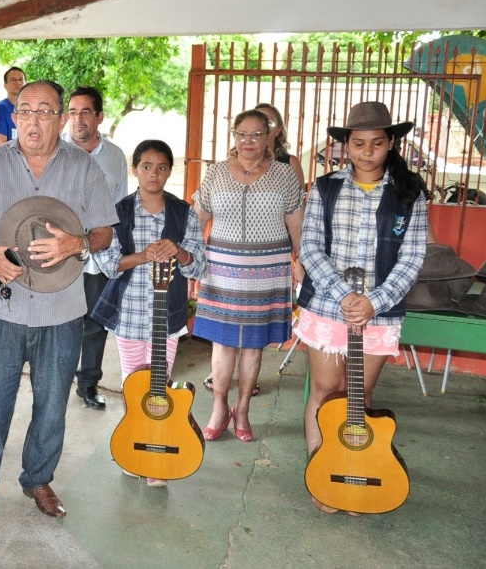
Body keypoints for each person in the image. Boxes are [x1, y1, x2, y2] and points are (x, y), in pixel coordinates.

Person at [0, 80, 117, 527]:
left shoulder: (84, 168)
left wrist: (78, 242)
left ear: (62, 117)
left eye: (44, 111)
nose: (32, 120)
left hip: (62, 311)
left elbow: (104, 232)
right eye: (24, 111)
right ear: (15, 117)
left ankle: (38, 479)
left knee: (51, 404)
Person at [297, 102, 428, 514]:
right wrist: (344, 295)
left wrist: (374, 301)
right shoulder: (325, 188)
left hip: (379, 313)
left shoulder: (410, 194)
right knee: (324, 391)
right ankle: (323, 475)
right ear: (345, 146)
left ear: (390, 144)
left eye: (376, 143)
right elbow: (311, 248)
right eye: (358, 143)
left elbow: (413, 256)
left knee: (360, 395)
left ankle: (356, 469)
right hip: (327, 307)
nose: (366, 151)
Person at [92, 139, 206, 486]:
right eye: (146, 167)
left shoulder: (184, 213)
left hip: (166, 317)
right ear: (134, 169)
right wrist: (144, 256)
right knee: (132, 386)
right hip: (129, 314)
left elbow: (198, 266)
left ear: (170, 171)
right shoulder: (118, 212)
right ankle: (134, 447)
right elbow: (108, 264)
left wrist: (180, 252)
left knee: (161, 385)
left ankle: (159, 447)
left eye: (161, 168)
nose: (153, 174)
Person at [192, 109, 304, 443]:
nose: (248, 141)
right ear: (234, 136)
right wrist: (190, 261)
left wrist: (301, 261)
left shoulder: (284, 175)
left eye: (256, 134)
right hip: (221, 271)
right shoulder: (215, 174)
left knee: (254, 347)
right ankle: (219, 407)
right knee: (222, 344)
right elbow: (197, 220)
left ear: (269, 136)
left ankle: (242, 409)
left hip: (267, 273)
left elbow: (296, 225)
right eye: (242, 134)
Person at [62, 86, 128, 410]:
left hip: (99, 256)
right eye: (72, 112)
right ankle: (56, 381)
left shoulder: (115, 156)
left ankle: (87, 384)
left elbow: (119, 209)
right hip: (60, 254)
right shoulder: (54, 151)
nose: (78, 119)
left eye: (85, 111)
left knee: (95, 322)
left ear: (99, 116)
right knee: (60, 320)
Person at [255, 103, 306, 189]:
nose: (261, 127)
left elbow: (300, 200)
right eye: (257, 122)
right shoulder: (235, 160)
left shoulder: (291, 163)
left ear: (278, 131)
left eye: (268, 123)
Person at [0, 66, 26, 145]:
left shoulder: (32, 108)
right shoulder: (1, 108)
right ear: (5, 85)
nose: (18, 82)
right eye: (13, 80)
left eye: (21, 79)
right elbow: (0, 143)